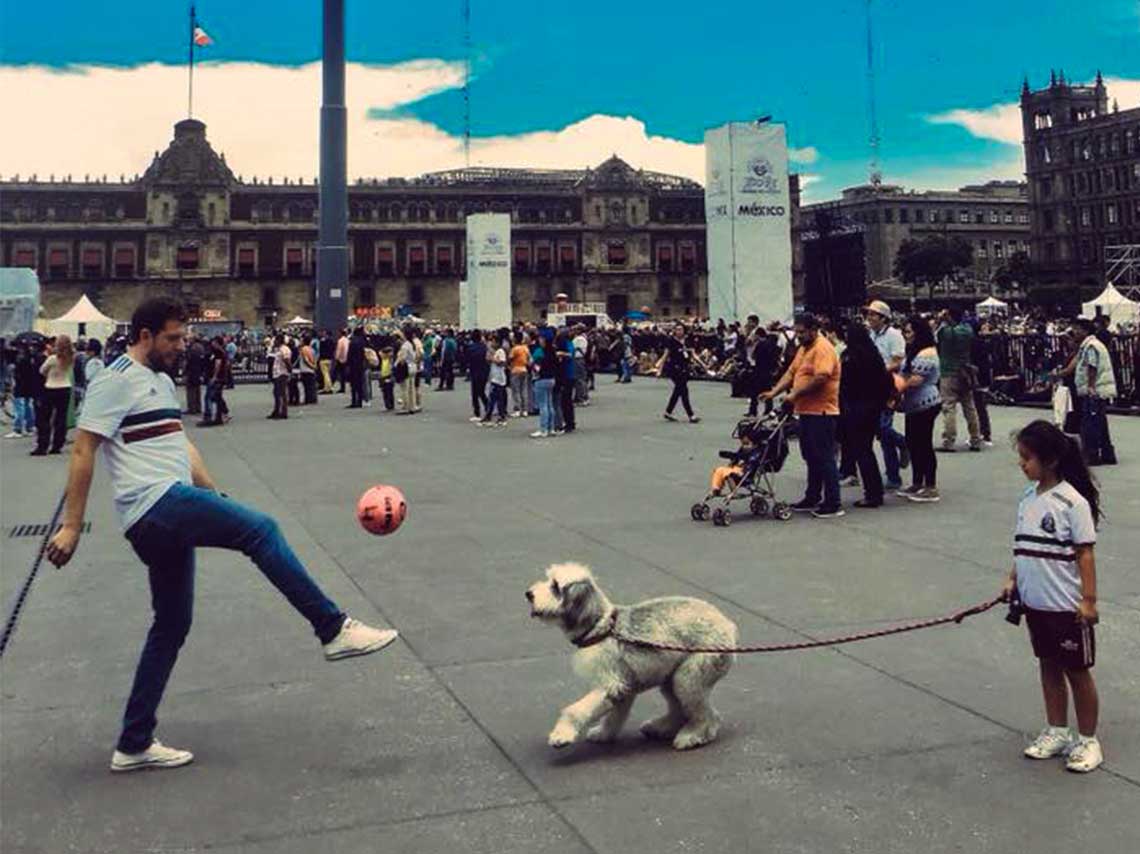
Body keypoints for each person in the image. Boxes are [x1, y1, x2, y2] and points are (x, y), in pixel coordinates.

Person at [44, 297, 398, 773]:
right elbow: (84, 449)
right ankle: (332, 629)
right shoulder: (115, 379)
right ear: (144, 335)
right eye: (172, 337)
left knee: (171, 624)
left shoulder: (162, 382)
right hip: (153, 504)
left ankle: (133, 742)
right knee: (262, 529)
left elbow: (180, 445)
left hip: (168, 506)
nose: (181, 344)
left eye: (182, 335)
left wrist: (215, 496)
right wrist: (70, 526)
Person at [1000, 420, 1103, 773]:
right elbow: (1023, 546)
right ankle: (1057, 729)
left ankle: (1088, 740)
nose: (1021, 464)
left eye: (1027, 458)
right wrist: (1012, 579)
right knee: (1048, 666)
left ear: (1051, 460)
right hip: (1036, 604)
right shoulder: (1028, 499)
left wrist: (1088, 600)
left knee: (1077, 671)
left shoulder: (1072, 502)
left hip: (1066, 606)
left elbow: (1085, 554)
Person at [761, 314, 843, 518]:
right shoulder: (804, 348)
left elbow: (821, 377)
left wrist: (795, 394)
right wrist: (774, 392)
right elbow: (791, 373)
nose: (798, 336)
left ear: (813, 330)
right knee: (811, 456)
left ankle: (833, 502)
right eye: (796, 331)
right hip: (805, 411)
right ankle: (812, 496)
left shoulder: (822, 348)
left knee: (824, 457)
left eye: (802, 332)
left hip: (822, 412)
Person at [838, 322, 891, 508]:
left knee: (861, 451)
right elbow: (885, 381)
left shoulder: (850, 357)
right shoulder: (873, 354)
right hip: (872, 407)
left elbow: (843, 382)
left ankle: (873, 494)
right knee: (866, 450)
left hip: (854, 407)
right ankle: (874, 491)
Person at [1055, 318, 1117, 466]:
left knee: (1090, 424)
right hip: (1100, 389)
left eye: (1076, 329)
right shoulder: (1091, 344)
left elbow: (1092, 366)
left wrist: (1090, 386)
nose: (1074, 332)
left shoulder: (1090, 346)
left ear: (1085, 331)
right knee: (1100, 423)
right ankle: (1108, 454)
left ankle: (1092, 455)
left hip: (1094, 389)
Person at [897, 315, 942, 503]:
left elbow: (916, 379)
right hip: (913, 404)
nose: (906, 335)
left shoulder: (927, 353)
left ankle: (930, 486)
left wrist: (896, 388)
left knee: (923, 444)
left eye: (909, 332)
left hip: (926, 402)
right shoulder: (914, 351)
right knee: (913, 442)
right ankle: (917, 482)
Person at [863, 301, 908, 489]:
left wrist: (877, 370)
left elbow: (897, 362)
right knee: (881, 432)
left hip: (888, 386)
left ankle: (903, 443)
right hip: (872, 386)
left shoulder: (894, 335)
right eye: (869, 314)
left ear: (883, 318)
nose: (870, 318)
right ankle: (893, 475)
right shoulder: (871, 335)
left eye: (874, 315)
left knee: (882, 427)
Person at [935, 307, 982, 452]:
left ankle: (949, 440)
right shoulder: (967, 330)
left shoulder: (945, 332)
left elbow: (936, 335)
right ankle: (975, 439)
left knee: (949, 407)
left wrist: (941, 319)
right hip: (965, 372)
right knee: (969, 407)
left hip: (948, 371)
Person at [33, 334, 75, 456]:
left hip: (51, 387)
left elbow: (42, 370)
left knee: (45, 418)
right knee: (61, 418)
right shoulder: (71, 358)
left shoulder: (52, 359)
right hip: (65, 387)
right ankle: (57, 445)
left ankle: (43, 445)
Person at [654, 324, 704, 424]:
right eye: (677, 329)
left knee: (678, 391)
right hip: (674, 369)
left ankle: (668, 411)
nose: (679, 331)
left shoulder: (687, 342)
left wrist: (703, 364)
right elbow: (665, 355)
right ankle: (691, 415)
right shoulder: (671, 341)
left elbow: (693, 355)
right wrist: (659, 367)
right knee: (683, 390)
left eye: (681, 329)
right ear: (674, 331)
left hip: (684, 369)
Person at [6, 342, 39, 438]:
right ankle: (30, 427)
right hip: (29, 386)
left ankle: (18, 429)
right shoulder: (31, 358)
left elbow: (17, 374)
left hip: (20, 386)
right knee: (28, 406)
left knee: (19, 407)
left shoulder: (20, 360)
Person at [530, 335, 556, 438]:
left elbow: (536, 368)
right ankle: (551, 428)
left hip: (541, 379)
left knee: (543, 405)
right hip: (551, 379)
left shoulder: (541, 354)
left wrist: (532, 365)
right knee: (550, 404)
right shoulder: (553, 353)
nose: (540, 341)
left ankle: (543, 429)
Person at [554, 328, 577, 434]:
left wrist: (560, 353)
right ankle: (569, 421)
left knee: (566, 400)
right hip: (568, 374)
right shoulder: (568, 343)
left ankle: (569, 422)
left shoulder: (567, 344)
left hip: (568, 375)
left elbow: (570, 354)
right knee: (566, 400)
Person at [482, 344, 509, 427]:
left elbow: (502, 363)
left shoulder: (500, 352)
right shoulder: (495, 352)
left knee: (498, 398)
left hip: (499, 379)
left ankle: (501, 416)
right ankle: (489, 415)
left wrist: (493, 359)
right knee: (493, 398)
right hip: (494, 378)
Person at [466, 330, 490, 422]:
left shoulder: (470, 348)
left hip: (474, 371)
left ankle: (477, 412)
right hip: (484, 371)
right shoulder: (484, 347)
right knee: (481, 392)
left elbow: (467, 359)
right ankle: (488, 407)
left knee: (475, 393)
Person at [268, 334, 291, 419]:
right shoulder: (279, 349)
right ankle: (277, 410)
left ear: (279, 340)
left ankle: (282, 412)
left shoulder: (284, 349)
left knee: (281, 393)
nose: (274, 342)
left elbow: (287, 360)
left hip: (282, 373)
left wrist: (289, 370)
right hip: (277, 373)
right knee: (276, 393)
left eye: (275, 340)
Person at [508, 331, 531, 417]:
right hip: (524, 369)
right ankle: (525, 410)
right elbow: (529, 359)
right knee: (523, 390)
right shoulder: (525, 348)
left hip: (515, 369)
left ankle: (517, 409)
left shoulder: (515, 349)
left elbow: (510, 358)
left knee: (515, 391)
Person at [183, 336, 207, 416]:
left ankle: (191, 408)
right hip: (199, 371)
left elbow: (188, 361)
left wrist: (185, 371)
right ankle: (198, 407)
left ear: (193, 340)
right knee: (197, 390)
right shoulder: (201, 347)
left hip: (191, 371)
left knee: (190, 391)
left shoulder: (192, 349)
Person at [346, 327, 366, 409]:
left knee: (353, 384)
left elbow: (349, 354)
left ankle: (354, 401)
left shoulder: (353, 341)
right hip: (360, 364)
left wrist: (348, 363)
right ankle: (360, 401)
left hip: (353, 365)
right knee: (360, 384)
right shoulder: (363, 341)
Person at [299, 334, 318, 405]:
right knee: (312, 385)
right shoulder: (312, 349)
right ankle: (313, 399)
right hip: (311, 370)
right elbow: (314, 359)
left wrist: (311, 366)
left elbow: (305, 360)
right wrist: (314, 366)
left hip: (305, 369)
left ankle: (308, 399)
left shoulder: (304, 349)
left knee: (306, 386)